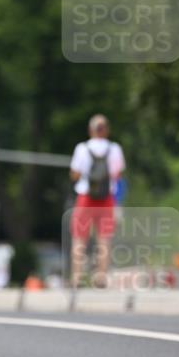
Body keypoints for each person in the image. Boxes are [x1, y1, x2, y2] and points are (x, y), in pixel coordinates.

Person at [69, 115, 126, 288]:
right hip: (106, 198)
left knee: (79, 237)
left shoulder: (82, 148)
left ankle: (77, 277)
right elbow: (118, 174)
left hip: (85, 197)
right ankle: (101, 277)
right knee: (104, 239)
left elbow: (75, 174)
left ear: (90, 130)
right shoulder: (115, 149)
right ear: (107, 130)